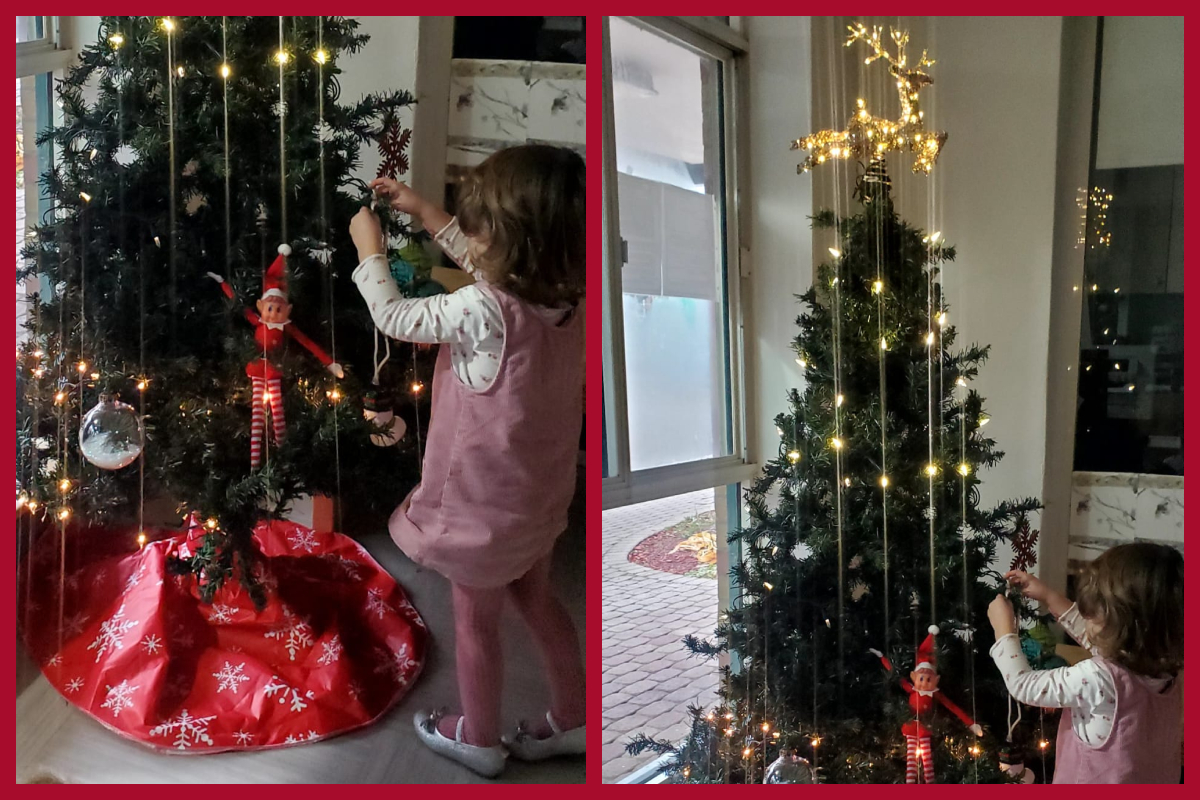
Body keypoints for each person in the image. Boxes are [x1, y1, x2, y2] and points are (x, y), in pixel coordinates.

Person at [348, 144, 586, 778]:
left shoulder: (484, 309)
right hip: (537, 500)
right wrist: (426, 211)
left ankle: (477, 737)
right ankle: (574, 720)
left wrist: (369, 249)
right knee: (539, 602)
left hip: (479, 511)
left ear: (506, 239)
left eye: (477, 224)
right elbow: (489, 264)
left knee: (475, 622)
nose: (471, 236)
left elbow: (395, 316)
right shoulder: (569, 300)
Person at [987, 542, 1184, 783]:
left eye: (1092, 616)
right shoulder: (1172, 670)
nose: (1086, 619)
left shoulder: (1097, 678)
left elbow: (1023, 685)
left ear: (1122, 628)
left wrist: (1004, 631)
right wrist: (1049, 596)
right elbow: (1100, 641)